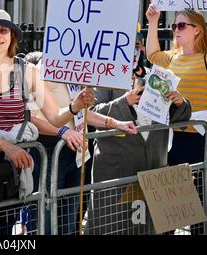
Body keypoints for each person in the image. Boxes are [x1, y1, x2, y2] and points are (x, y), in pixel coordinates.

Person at [0, 8, 137, 235]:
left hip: (18, 170)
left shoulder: (28, 71)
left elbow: (55, 116)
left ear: (12, 35)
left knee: (12, 228)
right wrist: (4, 145)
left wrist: (76, 105)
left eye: (4, 30)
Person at [23, 51, 139, 235]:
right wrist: (62, 132)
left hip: (76, 150)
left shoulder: (76, 70)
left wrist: (114, 123)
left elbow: (79, 112)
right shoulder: (41, 69)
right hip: (49, 150)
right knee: (44, 219)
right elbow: (31, 118)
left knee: (69, 220)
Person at [85, 75, 191, 235]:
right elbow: (89, 113)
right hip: (115, 169)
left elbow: (183, 117)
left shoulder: (156, 77)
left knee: (148, 226)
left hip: (153, 166)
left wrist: (180, 103)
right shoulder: (105, 78)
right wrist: (124, 101)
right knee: (110, 223)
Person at [146, 4, 207, 235]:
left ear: (198, 30)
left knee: (197, 203)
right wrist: (153, 21)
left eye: (182, 25)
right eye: (174, 25)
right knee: (169, 206)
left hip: (196, 136)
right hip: (171, 138)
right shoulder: (172, 56)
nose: (176, 29)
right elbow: (152, 55)